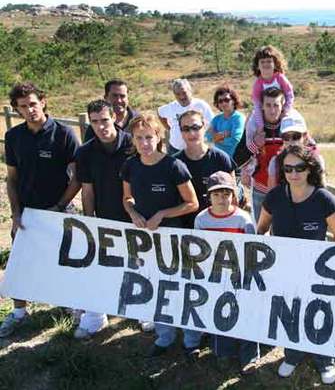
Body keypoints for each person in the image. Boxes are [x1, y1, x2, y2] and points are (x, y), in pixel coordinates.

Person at [257, 145, 335, 385]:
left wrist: (327, 265)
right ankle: (292, 354)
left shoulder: (322, 198)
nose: (294, 173)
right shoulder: (275, 196)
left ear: (310, 169)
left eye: (299, 168)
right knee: (289, 310)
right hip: (283, 269)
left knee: (319, 313)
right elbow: (261, 228)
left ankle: (324, 360)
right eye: (288, 168)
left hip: (317, 271)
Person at [1, 82, 81, 338]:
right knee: (21, 264)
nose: (30, 110)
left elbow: (77, 177)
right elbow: (11, 178)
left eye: (33, 104)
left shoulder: (64, 134)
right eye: (23, 106)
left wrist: (59, 206)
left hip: (59, 210)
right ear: (16, 109)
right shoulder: (14, 137)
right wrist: (15, 213)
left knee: (67, 262)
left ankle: (72, 306)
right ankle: (19, 313)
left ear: (43, 102)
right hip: (27, 214)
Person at [120, 114, 199, 357]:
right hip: (146, 239)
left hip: (174, 237)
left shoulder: (173, 166)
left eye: (149, 137)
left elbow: (192, 203)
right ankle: (164, 336)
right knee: (155, 284)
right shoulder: (130, 166)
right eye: (139, 138)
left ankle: (191, 339)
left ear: (158, 137)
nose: (144, 143)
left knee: (181, 286)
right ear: (133, 140)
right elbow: (127, 198)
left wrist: (162, 214)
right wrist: (132, 212)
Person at [73, 99, 134, 339]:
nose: (101, 126)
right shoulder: (85, 152)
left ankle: (142, 314)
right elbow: (87, 189)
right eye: (95, 122)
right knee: (102, 269)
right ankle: (97, 316)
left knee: (137, 267)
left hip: (136, 218)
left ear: (115, 119)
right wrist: (89, 222)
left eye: (105, 120)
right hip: (104, 217)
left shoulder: (133, 144)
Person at [194, 171, 260, 375]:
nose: (222, 199)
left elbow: (252, 249)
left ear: (234, 195)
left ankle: (249, 354)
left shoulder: (243, 219)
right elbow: (198, 250)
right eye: (216, 195)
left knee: (246, 311)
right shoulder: (202, 220)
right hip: (216, 277)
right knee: (220, 311)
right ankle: (224, 351)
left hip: (240, 275)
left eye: (226, 194)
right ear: (209, 197)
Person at [174, 110, 236, 229]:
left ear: (204, 127)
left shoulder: (221, 158)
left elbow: (233, 198)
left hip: (216, 225)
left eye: (196, 127)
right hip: (185, 226)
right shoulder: (174, 163)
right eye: (186, 129)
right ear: (181, 132)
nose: (191, 133)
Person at [243, 87, 285, 223]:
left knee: (280, 231)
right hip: (260, 186)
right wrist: (256, 143)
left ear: (282, 105)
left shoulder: (289, 124)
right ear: (262, 106)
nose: (272, 110)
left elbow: (308, 147)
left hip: (284, 188)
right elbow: (243, 152)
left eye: (276, 105)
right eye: (268, 105)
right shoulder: (254, 124)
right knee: (260, 230)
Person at [246, 45, 294, 152]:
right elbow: (257, 106)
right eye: (262, 62)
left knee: (295, 121)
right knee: (249, 123)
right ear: (257, 65)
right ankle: (252, 149)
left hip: (283, 109)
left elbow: (289, 94)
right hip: (263, 112)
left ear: (275, 64)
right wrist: (260, 127)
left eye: (269, 61)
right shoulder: (258, 84)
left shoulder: (280, 78)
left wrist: (286, 110)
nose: (266, 64)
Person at [267, 111, 324, 189]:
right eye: (286, 137)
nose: (291, 142)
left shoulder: (317, 160)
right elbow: (271, 194)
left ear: (305, 136)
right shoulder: (275, 163)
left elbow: (322, 189)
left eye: (296, 136)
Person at [158, 78, 214, 154]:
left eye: (184, 93)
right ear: (174, 95)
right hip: (175, 149)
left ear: (190, 91)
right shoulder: (171, 107)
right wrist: (169, 128)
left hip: (197, 150)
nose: (182, 97)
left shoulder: (201, 105)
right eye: (178, 94)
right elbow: (159, 113)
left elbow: (212, 124)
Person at [206, 85, 245, 158]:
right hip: (218, 158)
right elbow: (207, 136)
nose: (223, 103)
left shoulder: (238, 118)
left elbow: (235, 140)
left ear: (233, 101)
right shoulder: (216, 119)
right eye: (220, 101)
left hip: (234, 159)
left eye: (226, 100)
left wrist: (216, 137)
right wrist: (222, 135)